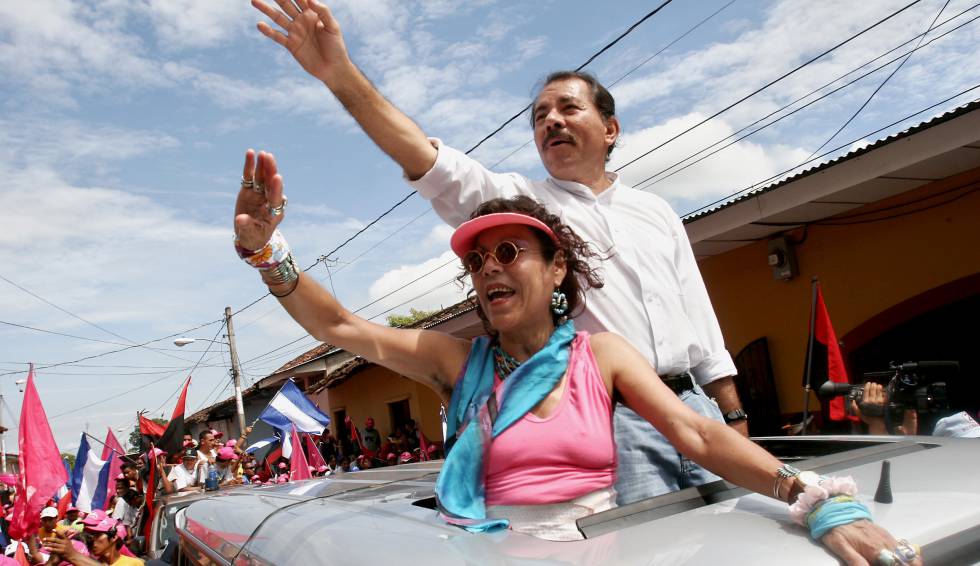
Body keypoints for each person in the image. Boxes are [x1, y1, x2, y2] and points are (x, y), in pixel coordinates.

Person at [231, 161, 917, 563]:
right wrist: (270, 255)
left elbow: (701, 434)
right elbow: (341, 324)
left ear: (558, 269)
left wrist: (810, 500)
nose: (488, 268)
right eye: (477, 260)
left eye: (509, 253)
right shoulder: (454, 361)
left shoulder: (604, 355)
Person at [251, 0, 748, 505]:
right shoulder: (522, 207)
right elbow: (424, 157)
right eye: (539, 116)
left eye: (568, 108)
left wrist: (730, 414)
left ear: (610, 129)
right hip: (611, 421)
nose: (551, 120)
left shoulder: (657, 211)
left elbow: (701, 325)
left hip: (697, 410)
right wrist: (339, 74)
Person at [44, 516, 143, 566]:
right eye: (92, 535)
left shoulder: (133, 563)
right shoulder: (86, 561)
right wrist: (51, 563)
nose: (93, 539)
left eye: (98, 535)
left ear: (113, 538)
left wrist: (72, 555)